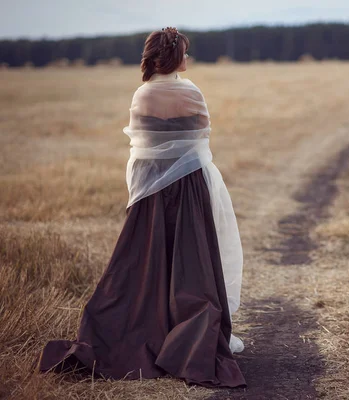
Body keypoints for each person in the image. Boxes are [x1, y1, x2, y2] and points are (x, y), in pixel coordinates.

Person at [37, 27, 247, 389]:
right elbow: (202, 138)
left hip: (149, 190)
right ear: (174, 56)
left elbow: (141, 149)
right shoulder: (191, 92)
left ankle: (147, 329)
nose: (188, 57)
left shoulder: (142, 95)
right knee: (190, 263)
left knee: (145, 263)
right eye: (185, 51)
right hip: (189, 188)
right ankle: (185, 334)